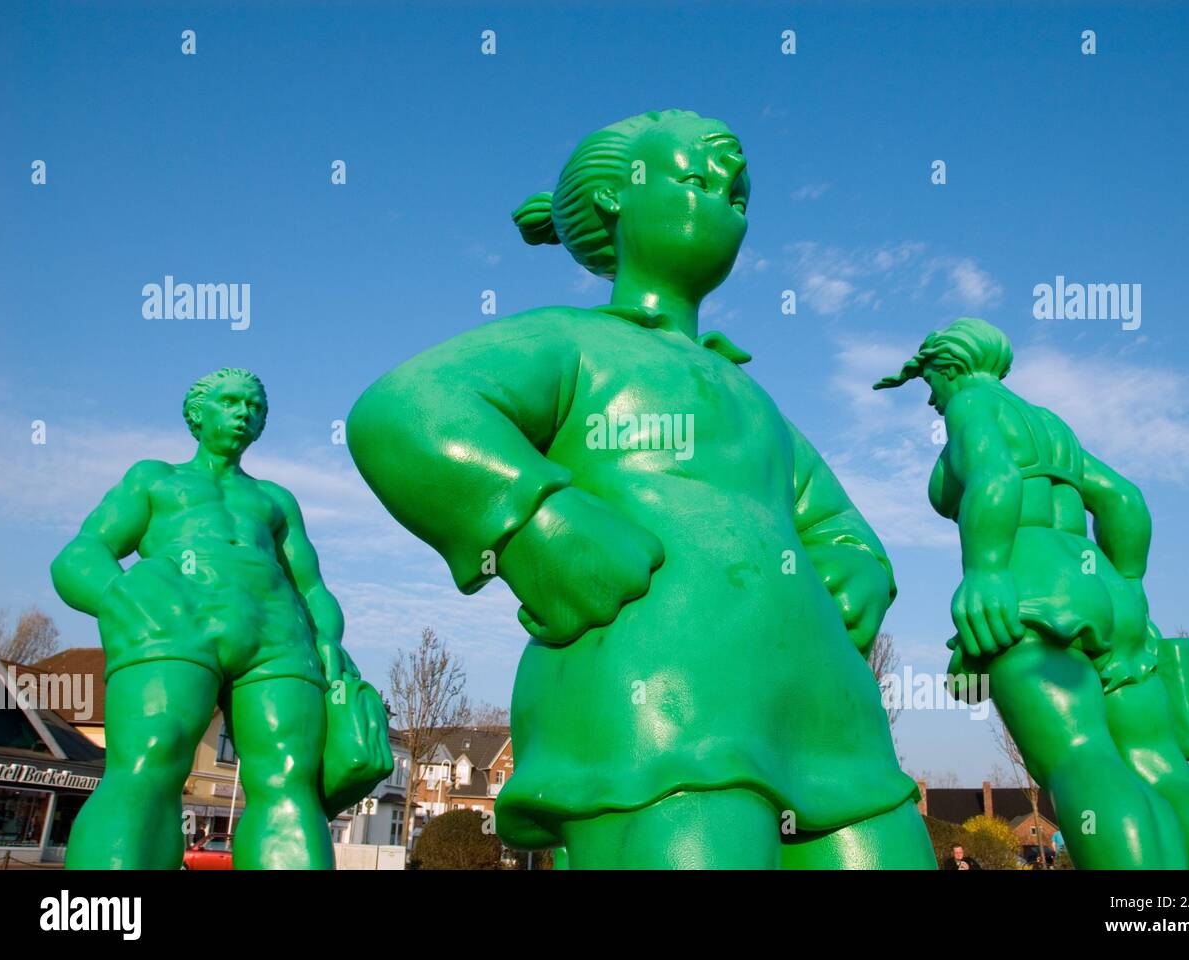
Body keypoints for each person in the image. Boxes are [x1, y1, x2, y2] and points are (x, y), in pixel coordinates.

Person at [348, 109, 935, 869]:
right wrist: (534, 524)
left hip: (829, 717)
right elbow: (408, 407)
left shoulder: (755, 402)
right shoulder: (573, 343)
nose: (725, 191)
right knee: (697, 845)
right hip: (660, 697)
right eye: (695, 176)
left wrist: (857, 565)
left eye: (738, 191)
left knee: (887, 853)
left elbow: (831, 520)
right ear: (614, 199)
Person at [874, 318, 1189, 870]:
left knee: (1082, 759)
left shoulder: (972, 406)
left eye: (929, 384)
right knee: (1162, 767)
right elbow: (1124, 500)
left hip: (1033, 591)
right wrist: (1128, 589)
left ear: (949, 368)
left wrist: (986, 571)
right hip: (1105, 591)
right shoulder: (1051, 425)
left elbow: (994, 475)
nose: (931, 401)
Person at [52, 368, 367, 869]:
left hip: (278, 634)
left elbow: (310, 586)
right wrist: (121, 596)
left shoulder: (274, 499)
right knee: (148, 763)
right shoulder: (155, 478)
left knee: (289, 779)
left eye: (255, 407)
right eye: (230, 401)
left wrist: (328, 640)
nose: (244, 412)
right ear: (197, 414)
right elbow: (81, 555)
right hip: (175, 622)